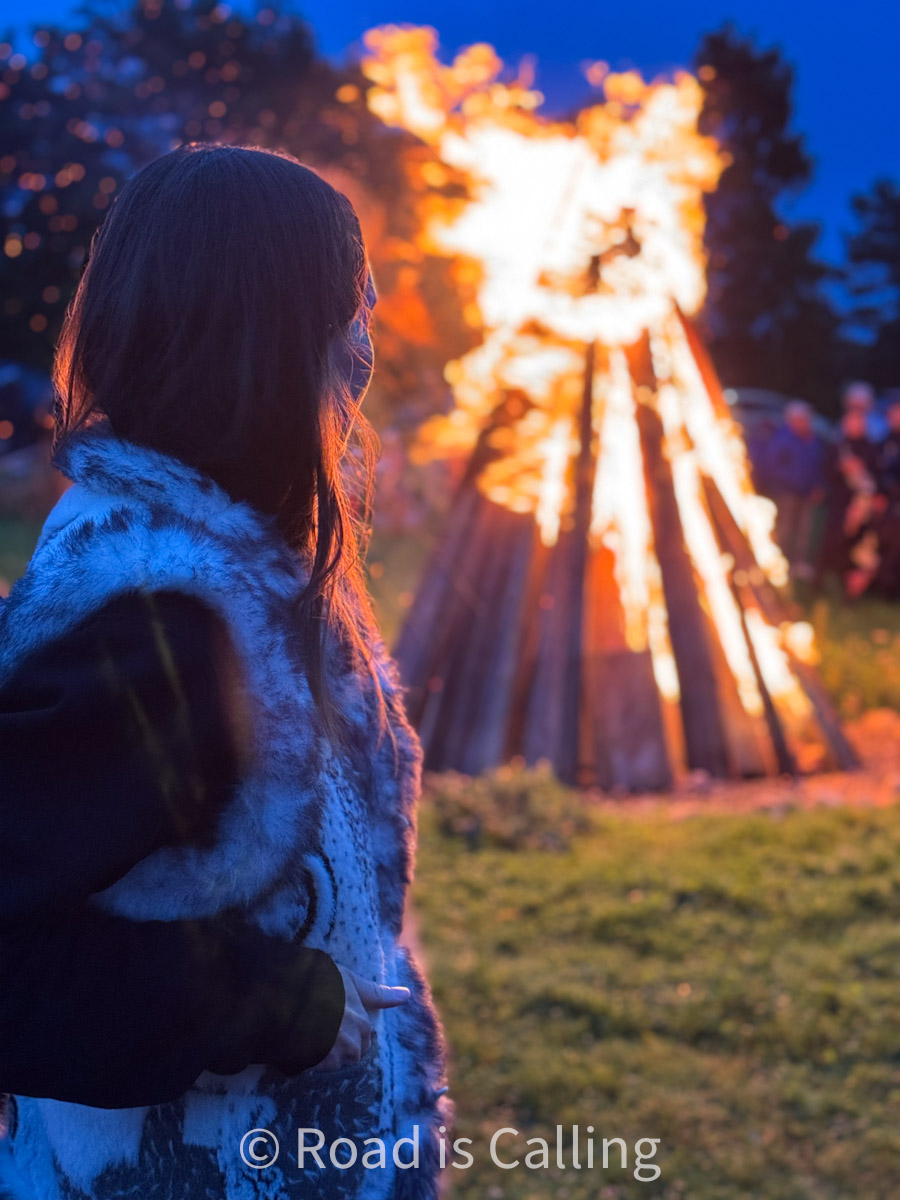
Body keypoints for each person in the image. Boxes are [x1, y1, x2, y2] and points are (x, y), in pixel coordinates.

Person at [0, 145, 449, 1200]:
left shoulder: (235, 567)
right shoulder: (163, 617)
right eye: (352, 308)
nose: (366, 343)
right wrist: (273, 1002)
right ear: (266, 335)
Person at [816, 407, 882, 596]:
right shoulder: (838, 447)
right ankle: (819, 583)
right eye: (851, 421)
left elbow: (878, 473)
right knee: (831, 541)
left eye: (858, 422)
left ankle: (849, 585)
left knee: (855, 544)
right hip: (839, 503)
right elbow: (826, 471)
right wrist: (841, 468)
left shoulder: (871, 448)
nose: (854, 425)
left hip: (862, 505)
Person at [762, 400, 825, 578]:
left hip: (808, 493)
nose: (805, 422)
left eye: (807, 418)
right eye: (801, 419)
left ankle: (799, 563)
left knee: (805, 529)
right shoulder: (782, 439)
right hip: (787, 492)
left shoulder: (812, 439)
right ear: (792, 420)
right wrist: (791, 483)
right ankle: (780, 561)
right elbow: (774, 465)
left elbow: (818, 465)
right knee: (785, 527)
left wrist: (818, 485)